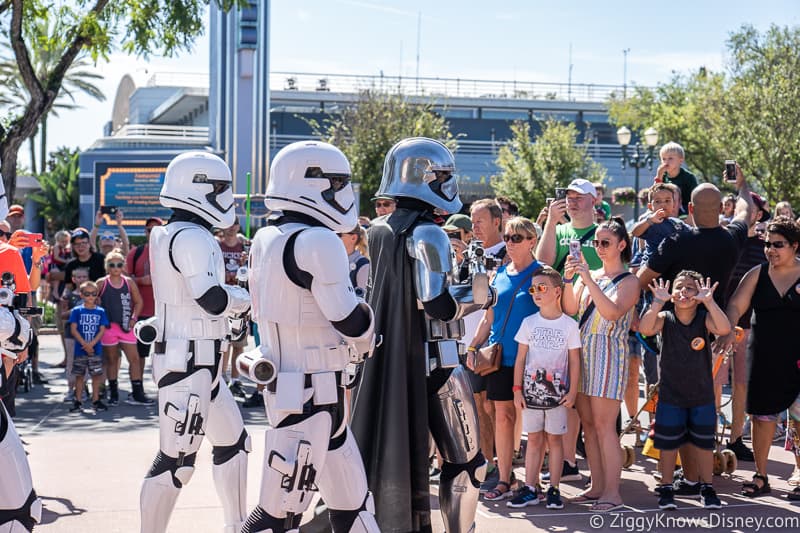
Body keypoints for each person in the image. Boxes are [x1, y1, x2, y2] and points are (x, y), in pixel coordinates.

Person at [352, 137, 492, 533]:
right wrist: (479, 296)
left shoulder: (378, 230)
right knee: (468, 465)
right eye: (443, 175)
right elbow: (437, 304)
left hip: (396, 358)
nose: (449, 183)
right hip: (439, 359)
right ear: (422, 177)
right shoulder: (428, 232)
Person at [244, 141, 379, 532]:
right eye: (336, 182)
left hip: (308, 390)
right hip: (307, 391)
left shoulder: (268, 237)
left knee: (353, 504)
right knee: (276, 513)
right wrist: (372, 327)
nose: (343, 191)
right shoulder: (317, 241)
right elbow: (348, 319)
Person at [139, 151, 251, 533]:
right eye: (219, 189)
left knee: (234, 443)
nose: (225, 197)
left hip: (200, 361)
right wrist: (243, 299)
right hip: (188, 362)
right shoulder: (191, 237)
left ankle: (236, 525)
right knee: (176, 461)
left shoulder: (171, 233)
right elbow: (212, 299)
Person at [562, 217, 639, 512]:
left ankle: (612, 492)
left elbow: (612, 313)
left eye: (605, 243)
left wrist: (589, 280)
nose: (599, 248)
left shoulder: (629, 280)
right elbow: (570, 308)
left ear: (621, 245)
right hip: (583, 352)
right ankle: (596, 487)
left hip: (608, 353)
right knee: (589, 427)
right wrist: (570, 280)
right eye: (596, 243)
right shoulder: (591, 274)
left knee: (606, 427)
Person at [719, 216, 800, 499]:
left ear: (795, 246)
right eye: (767, 244)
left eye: (778, 245)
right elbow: (736, 305)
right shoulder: (757, 273)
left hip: (797, 358)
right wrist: (727, 328)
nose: (770, 250)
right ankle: (761, 475)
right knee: (762, 417)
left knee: (799, 417)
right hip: (763, 356)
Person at [639, 271, 730, 510]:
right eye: (679, 287)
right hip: (671, 394)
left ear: (698, 294)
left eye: (691, 288)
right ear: (671, 294)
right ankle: (667, 487)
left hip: (701, 395)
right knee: (668, 445)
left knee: (704, 444)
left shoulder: (703, 318)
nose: (684, 292)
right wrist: (657, 301)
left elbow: (723, 328)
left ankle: (707, 487)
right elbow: (645, 329)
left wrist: (709, 302)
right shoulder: (664, 317)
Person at [468, 216, 541, 502]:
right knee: (501, 415)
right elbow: (489, 318)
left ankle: (533, 482)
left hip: (532, 358)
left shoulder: (541, 274)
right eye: (508, 237)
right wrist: (474, 346)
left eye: (517, 238)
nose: (510, 243)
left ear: (532, 241)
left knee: (535, 420)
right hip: (500, 357)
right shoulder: (498, 274)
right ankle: (504, 477)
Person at [536, 177, 601, 482]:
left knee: (585, 395)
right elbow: (543, 262)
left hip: (594, 321)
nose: (573, 202)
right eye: (569, 197)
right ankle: (568, 460)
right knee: (565, 392)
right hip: (562, 320)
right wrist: (551, 221)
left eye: (580, 197)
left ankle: (587, 460)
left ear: (593, 200)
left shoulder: (603, 233)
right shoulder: (559, 230)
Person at [509, 265, 580, 510]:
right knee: (534, 440)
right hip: (530, 396)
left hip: (558, 397)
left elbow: (575, 361)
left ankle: (554, 489)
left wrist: (572, 391)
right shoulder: (529, 323)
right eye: (533, 289)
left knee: (555, 441)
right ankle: (530, 487)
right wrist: (517, 389)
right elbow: (520, 359)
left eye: (542, 288)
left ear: (557, 292)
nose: (536, 293)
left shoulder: (569, 325)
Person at [466, 198, 507, 493]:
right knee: (477, 406)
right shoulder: (469, 252)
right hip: (470, 339)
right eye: (472, 220)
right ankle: (486, 462)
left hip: (497, 342)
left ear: (497, 221)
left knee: (493, 407)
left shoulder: (510, 251)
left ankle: (501, 467)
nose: (474, 226)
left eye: (480, 220)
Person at [97, 251, 151, 405]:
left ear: (123, 266)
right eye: (112, 264)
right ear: (107, 266)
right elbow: (91, 300)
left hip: (126, 326)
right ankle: (113, 393)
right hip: (109, 327)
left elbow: (138, 301)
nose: (115, 268)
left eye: (119, 264)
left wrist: (134, 318)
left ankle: (137, 392)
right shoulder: (102, 282)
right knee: (112, 360)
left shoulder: (129, 282)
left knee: (134, 359)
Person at [125, 216, 162, 376]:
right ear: (145, 232)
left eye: (156, 229)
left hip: (165, 312)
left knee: (166, 355)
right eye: (149, 230)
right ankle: (137, 388)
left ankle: (166, 392)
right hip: (142, 311)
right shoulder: (137, 252)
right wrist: (141, 280)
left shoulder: (170, 253)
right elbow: (124, 279)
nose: (152, 233)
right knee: (139, 355)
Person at [217, 217, 249, 399]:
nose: (231, 228)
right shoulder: (216, 246)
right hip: (222, 299)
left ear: (238, 225)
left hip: (240, 300)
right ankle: (221, 377)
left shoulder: (243, 247)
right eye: (227, 224)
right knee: (224, 343)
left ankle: (236, 381)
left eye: (234, 224)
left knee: (239, 343)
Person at [68, 280, 110, 413]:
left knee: (96, 376)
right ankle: (78, 401)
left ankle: (96, 400)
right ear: (81, 295)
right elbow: (74, 329)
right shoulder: (76, 311)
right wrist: (84, 344)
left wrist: (91, 344)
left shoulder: (100, 311)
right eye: (87, 294)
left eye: (93, 294)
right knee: (79, 376)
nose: (90, 297)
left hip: (95, 350)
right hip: (80, 350)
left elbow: (102, 329)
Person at [59, 267, 90, 403]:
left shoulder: (93, 295)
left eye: (84, 277)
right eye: (79, 277)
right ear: (73, 279)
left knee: (85, 363)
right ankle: (70, 390)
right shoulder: (69, 296)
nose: (81, 279)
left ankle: (82, 390)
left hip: (88, 335)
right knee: (71, 362)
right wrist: (77, 310)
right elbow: (63, 315)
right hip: (71, 334)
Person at [653, 141, 698, 216]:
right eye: (664, 159)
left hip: (684, 211)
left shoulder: (689, 177)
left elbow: (695, 200)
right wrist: (659, 176)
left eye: (670, 158)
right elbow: (654, 194)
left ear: (681, 160)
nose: (666, 162)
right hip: (665, 209)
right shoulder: (663, 176)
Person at [339, 224, 370, 293]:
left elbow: (362, 299)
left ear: (353, 238)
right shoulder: (333, 260)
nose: (335, 237)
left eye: (339, 235)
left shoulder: (363, 265)